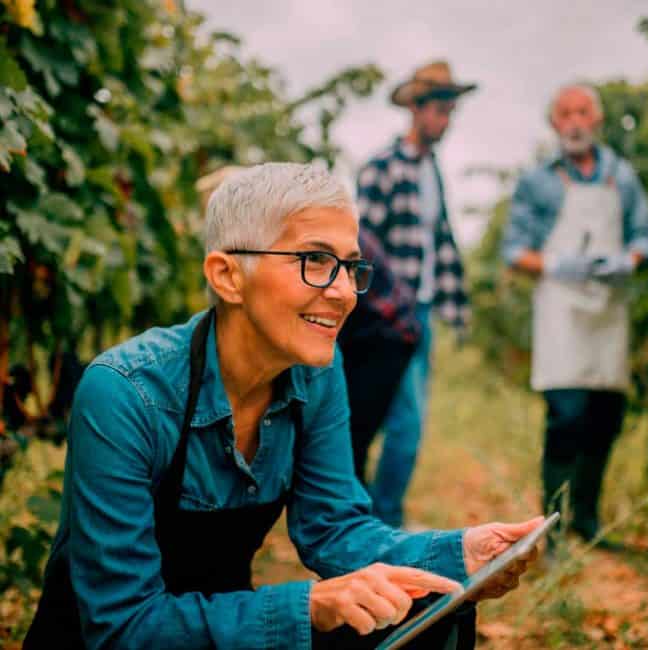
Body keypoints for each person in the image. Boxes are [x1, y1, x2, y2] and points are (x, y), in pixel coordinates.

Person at [25, 163, 542, 650]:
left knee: (429, 601)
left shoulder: (317, 372)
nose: (344, 292)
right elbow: (123, 629)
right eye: (315, 261)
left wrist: (461, 554)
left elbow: (333, 528)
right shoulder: (126, 393)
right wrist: (310, 606)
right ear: (228, 276)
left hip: (221, 634)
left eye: (350, 267)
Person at [502, 84, 648, 546]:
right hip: (562, 310)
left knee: (605, 415)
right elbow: (515, 251)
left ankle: (586, 521)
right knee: (566, 415)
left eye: (582, 112)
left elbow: (645, 237)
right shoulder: (538, 180)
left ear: (597, 120)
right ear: (554, 124)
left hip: (608, 311)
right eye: (564, 113)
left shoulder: (622, 176)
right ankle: (549, 527)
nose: (574, 121)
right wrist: (557, 264)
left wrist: (627, 262)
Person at [357, 61, 475, 527]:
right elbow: (363, 244)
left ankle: (375, 514)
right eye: (440, 111)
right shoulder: (381, 169)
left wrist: (456, 306)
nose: (445, 121)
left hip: (421, 312)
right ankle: (381, 519)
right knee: (401, 421)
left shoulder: (432, 172)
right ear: (417, 109)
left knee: (400, 419)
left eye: (450, 112)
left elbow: (439, 243)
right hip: (388, 316)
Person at [338, 229, 421, 482]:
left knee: (352, 438)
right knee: (349, 438)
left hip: (388, 337)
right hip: (372, 334)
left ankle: (353, 513)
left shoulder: (341, 235)